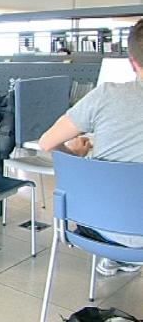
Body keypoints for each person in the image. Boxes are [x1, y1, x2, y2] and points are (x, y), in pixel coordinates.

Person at [39, 18, 143, 277]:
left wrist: (75, 154)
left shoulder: (105, 94)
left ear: (132, 62)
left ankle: (117, 255)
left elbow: (47, 143)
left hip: (96, 226)